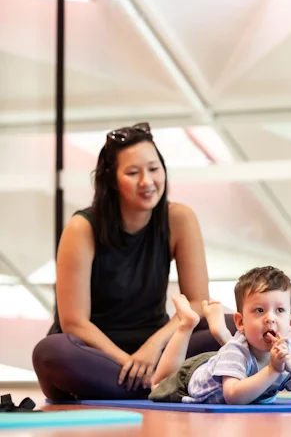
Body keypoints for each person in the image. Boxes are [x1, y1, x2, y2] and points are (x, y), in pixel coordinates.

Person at [32, 122, 236, 401]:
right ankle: (163, 383)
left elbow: (197, 303)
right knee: (51, 353)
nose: (147, 181)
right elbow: (75, 323)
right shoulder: (82, 228)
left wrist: (153, 348)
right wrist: (129, 362)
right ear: (112, 179)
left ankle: (143, 383)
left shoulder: (179, 219)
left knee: (233, 327)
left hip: (158, 349)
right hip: (97, 352)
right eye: (132, 172)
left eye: (153, 169)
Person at [148, 266, 291, 405]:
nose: (270, 318)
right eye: (259, 310)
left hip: (222, 362)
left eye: (280, 310)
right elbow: (233, 396)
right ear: (240, 322)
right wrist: (273, 369)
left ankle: (218, 329)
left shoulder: (289, 353)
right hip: (190, 379)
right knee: (158, 385)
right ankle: (186, 324)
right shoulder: (237, 349)